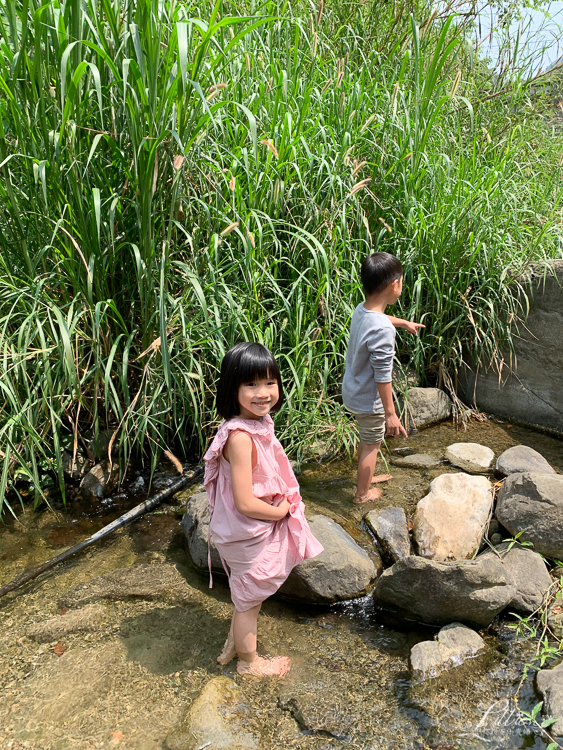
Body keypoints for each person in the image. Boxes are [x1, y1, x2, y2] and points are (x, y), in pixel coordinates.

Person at [204, 342, 324, 677]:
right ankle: (248, 663)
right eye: (251, 385)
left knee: (246, 594)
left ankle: (233, 643)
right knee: (249, 603)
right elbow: (244, 501)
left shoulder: (256, 423)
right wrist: (282, 512)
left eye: (270, 383)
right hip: (247, 530)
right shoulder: (240, 437)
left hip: (244, 529)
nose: (263, 393)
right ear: (233, 388)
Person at [342, 252, 425, 504]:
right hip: (369, 400)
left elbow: (378, 319)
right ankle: (362, 494)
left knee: (366, 439)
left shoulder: (362, 309)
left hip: (353, 390)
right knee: (371, 445)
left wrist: (403, 323)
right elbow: (383, 376)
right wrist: (390, 413)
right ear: (395, 285)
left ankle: (364, 477)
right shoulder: (382, 329)